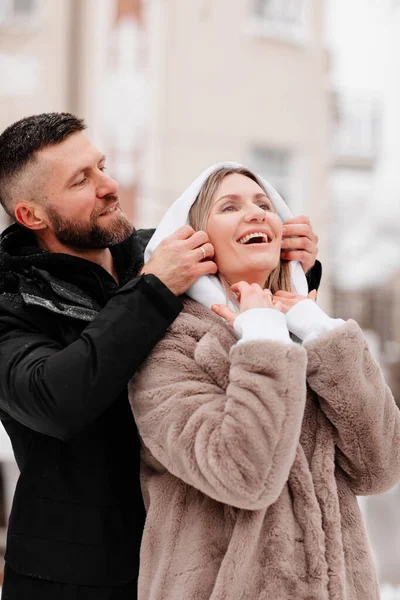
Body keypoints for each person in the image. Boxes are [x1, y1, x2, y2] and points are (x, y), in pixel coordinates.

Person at [0, 116, 320, 598]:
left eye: (101, 166)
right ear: (32, 216)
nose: (110, 186)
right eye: (81, 180)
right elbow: (56, 399)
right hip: (78, 575)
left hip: (191, 557)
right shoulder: (11, 303)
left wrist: (297, 264)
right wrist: (152, 290)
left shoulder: (164, 249)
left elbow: (246, 288)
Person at [129, 163, 400, 600]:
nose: (255, 213)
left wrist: (320, 332)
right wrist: (262, 339)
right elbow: (244, 476)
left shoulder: (311, 335)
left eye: (263, 204)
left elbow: (381, 467)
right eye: (229, 207)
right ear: (197, 240)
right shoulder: (169, 346)